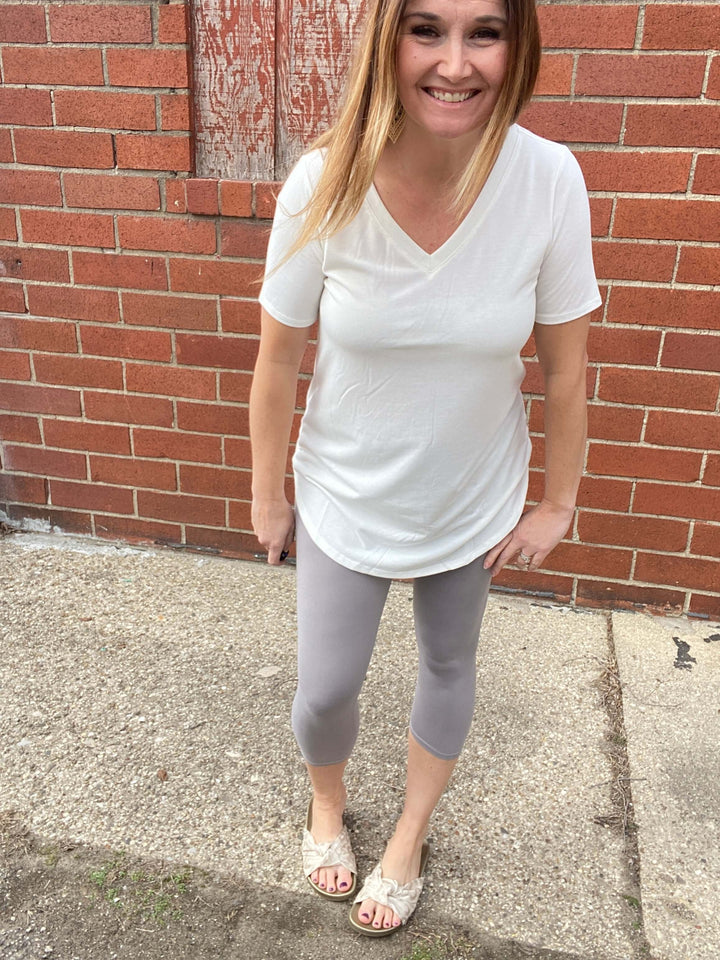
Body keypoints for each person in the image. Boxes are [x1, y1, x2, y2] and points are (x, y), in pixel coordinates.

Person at [249, 0, 601, 937]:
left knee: (449, 661)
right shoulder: (325, 181)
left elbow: (567, 369)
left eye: (484, 32)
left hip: (472, 493)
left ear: (516, 46)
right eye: (426, 30)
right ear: (387, 43)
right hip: (347, 489)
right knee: (327, 686)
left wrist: (557, 502)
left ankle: (410, 834)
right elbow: (277, 359)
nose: (455, 62)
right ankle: (328, 802)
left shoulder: (549, 181)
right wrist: (268, 495)